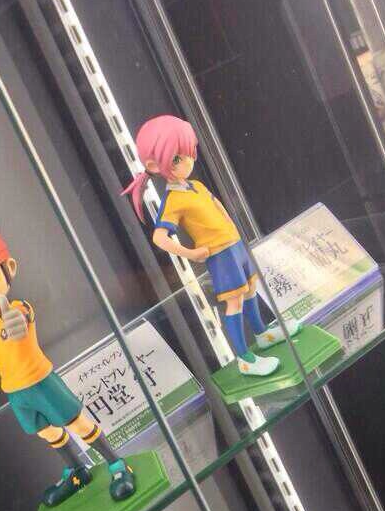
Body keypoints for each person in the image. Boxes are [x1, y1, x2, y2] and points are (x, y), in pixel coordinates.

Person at [0, 223, 136, 506]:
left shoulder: (19, 308)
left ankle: (117, 464)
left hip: (40, 381)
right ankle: (77, 470)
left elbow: (22, 317)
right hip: (15, 390)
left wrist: (16, 322)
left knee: (76, 422)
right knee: (46, 431)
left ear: (9, 268)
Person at [121, 115, 299, 376]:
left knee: (251, 288)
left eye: (188, 152)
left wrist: (234, 232)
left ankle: (262, 334)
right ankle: (245, 359)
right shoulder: (172, 200)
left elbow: (218, 206)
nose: (188, 160)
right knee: (234, 301)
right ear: (154, 165)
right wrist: (191, 253)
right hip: (220, 255)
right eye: (177, 158)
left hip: (234, 245)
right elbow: (159, 237)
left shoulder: (196, 186)